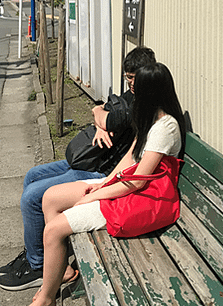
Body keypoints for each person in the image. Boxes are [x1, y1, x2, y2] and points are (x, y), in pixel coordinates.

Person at [0, 46, 156, 291]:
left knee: (32, 198)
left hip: (103, 172)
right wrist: (101, 120)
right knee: (31, 176)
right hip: (94, 159)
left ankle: (40, 265)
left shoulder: (140, 106)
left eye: (135, 78)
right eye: (128, 78)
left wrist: (102, 119)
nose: (131, 83)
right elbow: (100, 108)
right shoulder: (130, 97)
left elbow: (105, 114)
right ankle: (37, 249)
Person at [30, 62, 186, 306]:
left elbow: (136, 182)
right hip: (127, 189)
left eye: (137, 88)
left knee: (53, 229)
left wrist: (95, 196)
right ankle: (62, 270)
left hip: (141, 200)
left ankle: (46, 299)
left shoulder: (166, 128)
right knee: (50, 197)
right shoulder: (151, 120)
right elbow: (129, 160)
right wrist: (104, 183)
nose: (132, 92)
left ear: (151, 93)